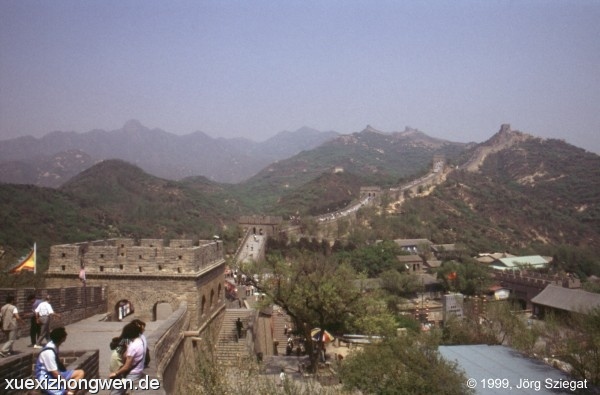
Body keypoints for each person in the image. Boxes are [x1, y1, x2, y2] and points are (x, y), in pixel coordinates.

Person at [35, 327, 85, 395]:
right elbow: (55, 373)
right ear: (62, 338)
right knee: (67, 393)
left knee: (80, 373)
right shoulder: (49, 353)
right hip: (45, 378)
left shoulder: (55, 346)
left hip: (55, 374)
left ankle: (69, 392)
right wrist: (66, 385)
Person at [109, 321, 146, 395]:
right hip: (138, 371)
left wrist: (115, 373)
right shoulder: (140, 341)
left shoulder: (133, 347)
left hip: (132, 374)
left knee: (114, 393)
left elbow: (127, 366)